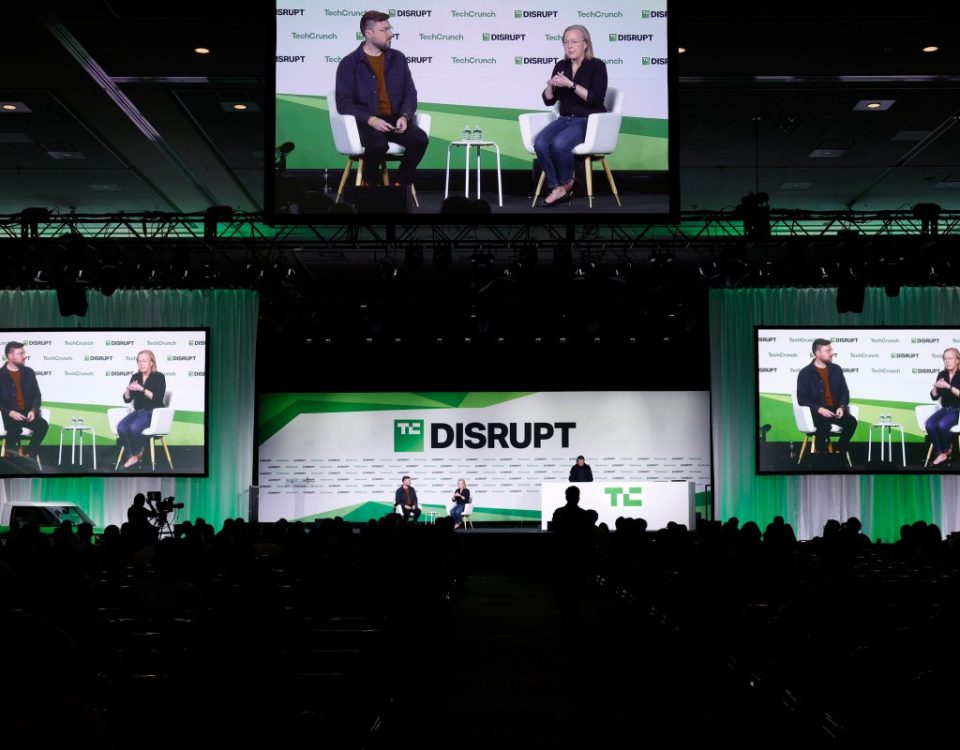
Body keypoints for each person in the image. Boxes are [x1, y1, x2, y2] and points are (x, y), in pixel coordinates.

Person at [335, 10, 428, 189]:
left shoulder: (398, 59)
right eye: (384, 30)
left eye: (390, 29)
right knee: (378, 144)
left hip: (394, 119)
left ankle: (399, 185)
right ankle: (369, 183)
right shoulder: (349, 63)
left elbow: (410, 93)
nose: (391, 34)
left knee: (419, 139)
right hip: (365, 121)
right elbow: (344, 103)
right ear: (368, 34)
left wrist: (405, 116)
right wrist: (371, 120)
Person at [534, 24, 608, 207]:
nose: (569, 46)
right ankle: (557, 187)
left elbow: (595, 99)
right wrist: (550, 86)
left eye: (574, 42)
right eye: (566, 42)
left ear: (585, 44)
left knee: (559, 144)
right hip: (564, 119)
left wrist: (570, 84)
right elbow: (549, 100)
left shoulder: (597, 66)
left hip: (587, 120)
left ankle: (566, 183)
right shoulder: (561, 65)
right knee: (540, 143)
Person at [796, 338, 857, 460]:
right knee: (824, 426)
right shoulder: (805, 373)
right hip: (816, 411)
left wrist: (842, 407)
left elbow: (844, 392)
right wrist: (819, 409)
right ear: (817, 353)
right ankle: (822, 457)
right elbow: (802, 398)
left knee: (851, 422)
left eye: (831, 350)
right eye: (828, 350)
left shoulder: (836, 369)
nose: (832, 353)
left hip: (834, 409)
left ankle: (839, 451)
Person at [0, 341, 49, 463]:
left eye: (24, 353)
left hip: (26, 413)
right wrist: (10, 412)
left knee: (42, 425)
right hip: (9, 414)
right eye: (20, 353)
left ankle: (30, 455)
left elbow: (37, 395)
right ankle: (11, 461)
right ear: (10, 356)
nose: (24, 356)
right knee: (15, 430)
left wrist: (33, 410)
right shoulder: (1, 375)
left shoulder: (29, 372)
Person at [117, 350, 166, 469]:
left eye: (144, 361)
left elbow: (157, 399)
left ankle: (139, 453)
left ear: (151, 363)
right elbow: (127, 399)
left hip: (152, 412)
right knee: (121, 427)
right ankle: (132, 457)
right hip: (137, 411)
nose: (141, 364)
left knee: (134, 428)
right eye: (139, 361)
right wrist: (128, 389)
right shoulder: (135, 376)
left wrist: (141, 389)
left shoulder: (159, 377)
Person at [926, 347, 960, 465]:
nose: (947, 361)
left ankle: (947, 450)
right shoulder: (942, 374)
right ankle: (940, 453)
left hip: (957, 410)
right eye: (945, 359)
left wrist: (948, 387)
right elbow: (935, 397)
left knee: (941, 425)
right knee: (929, 424)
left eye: (950, 358)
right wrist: (935, 387)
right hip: (945, 409)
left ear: (957, 360)